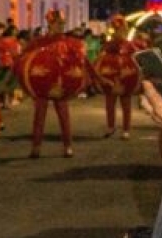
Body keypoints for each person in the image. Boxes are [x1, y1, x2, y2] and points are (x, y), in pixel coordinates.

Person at [16, 10, 87, 158]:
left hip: (61, 86)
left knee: (63, 115)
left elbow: (82, 63)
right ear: (50, 24)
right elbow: (23, 58)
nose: (61, 27)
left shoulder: (71, 43)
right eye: (58, 24)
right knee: (39, 115)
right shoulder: (38, 42)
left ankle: (67, 146)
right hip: (42, 85)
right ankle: (36, 146)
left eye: (62, 24)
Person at [95, 14, 140, 139]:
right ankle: (110, 126)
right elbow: (100, 59)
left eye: (121, 30)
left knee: (126, 104)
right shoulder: (108, 45)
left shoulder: (130, 45)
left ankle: (126, 129)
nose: (120, 32)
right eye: (117, 30)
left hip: (126, 79)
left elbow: (137, 60)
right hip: (110, 78)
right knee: (110, 103)